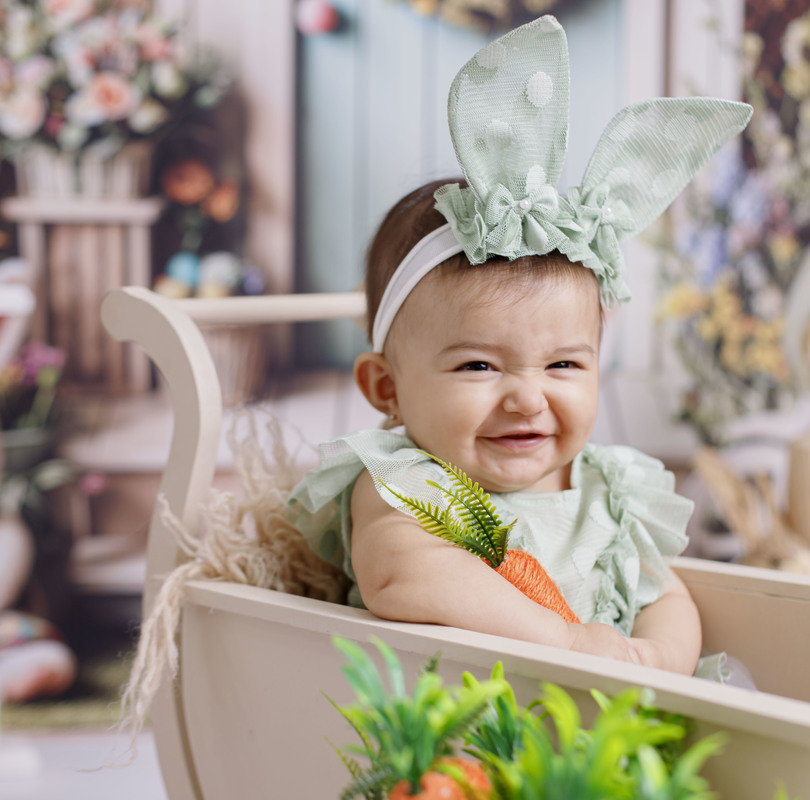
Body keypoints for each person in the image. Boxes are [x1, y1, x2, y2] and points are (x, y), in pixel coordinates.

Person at [287, 15, 752, 681]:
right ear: (387, 389)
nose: (528, 398)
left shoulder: (612, 490)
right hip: (462, 726)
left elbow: (667, 598)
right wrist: (566, 643)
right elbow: (406, 576)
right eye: (479, 365)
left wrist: (654, 660)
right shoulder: (407, 483)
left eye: (564, 364)